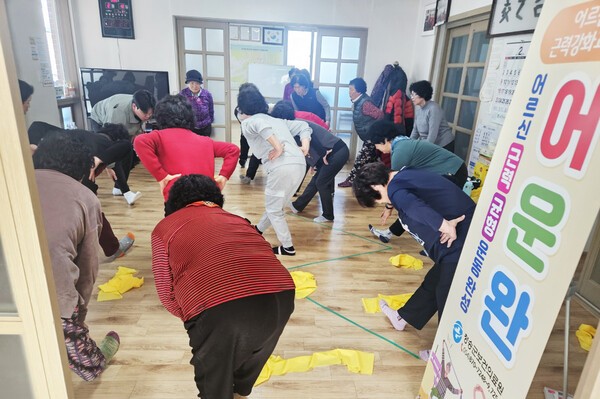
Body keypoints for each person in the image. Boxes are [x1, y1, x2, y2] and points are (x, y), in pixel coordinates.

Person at [152, 174, 295, 399]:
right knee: (251, 358)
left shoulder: (164, 228)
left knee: (214, 380)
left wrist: (193, 319)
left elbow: (165, 291)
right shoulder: (237, 219)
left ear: (172, 204)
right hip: (282, 294)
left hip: (219, 305)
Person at [33, 133, 120, 381]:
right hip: (53, 294)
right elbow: (88, 264)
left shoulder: (14, 181)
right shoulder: (85, 198)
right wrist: (78, 315)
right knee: (85, 359)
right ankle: (90, 358)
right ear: (83, 173)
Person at [352, 162, 475, 331]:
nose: (381, 202)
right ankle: (402, 317)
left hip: (461, 236)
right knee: (435, 281)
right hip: (462, 229)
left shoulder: (395, 189)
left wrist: (445, 226)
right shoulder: (403, 175)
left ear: (376, 185)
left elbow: (413, 206)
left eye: (377, 198)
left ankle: (446, 352)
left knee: (446, 294)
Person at [27, 121, 136, 262]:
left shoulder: (81, 135)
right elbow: (126, 146)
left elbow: (36, 125)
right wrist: (100, 159)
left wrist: (32, 146)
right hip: (78, 174)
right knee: (92, 210)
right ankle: (114, 248)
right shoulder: (104, 142)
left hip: (44, 173)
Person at [237, 83, 311, 256]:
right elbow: (303, 126)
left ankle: (287, 247)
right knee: (276, 205)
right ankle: (259, 229)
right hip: (299, 164)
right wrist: (305, 145)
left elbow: (261, 126)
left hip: (281, 166)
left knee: (274, 208)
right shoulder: (276, 120)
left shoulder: (248, 122)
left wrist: (277, 147)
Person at [365, 120, 468, 243]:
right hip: (453, 168)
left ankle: (440, 241)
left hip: (453, 171)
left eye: (377, 145)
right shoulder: (401, 142)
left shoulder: (400, 152)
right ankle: (390, 233)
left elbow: (393, 186)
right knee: (418, 203)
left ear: (385, 139)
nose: (377, 148)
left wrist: (388, 207)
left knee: (422, 204)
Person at [134, 94, 239, 202]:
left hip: (177, 198)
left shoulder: (159, 136)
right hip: (209, 197)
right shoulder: (205, 141)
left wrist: (161, 176)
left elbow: (139, 141)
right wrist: (224, 176)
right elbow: (233, 149)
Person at [271, 101, 349, 222]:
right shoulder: (294, 125)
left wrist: (324, 155)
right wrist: (316, 163)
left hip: (336, 151)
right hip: (332, 151)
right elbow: (309, 148)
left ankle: (328, 215)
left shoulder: (297, 126)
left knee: (321, 182)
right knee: (316, 181)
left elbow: (315, 142)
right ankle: (298, 206)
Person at [338, 77, 384, 187]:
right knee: (372, 161)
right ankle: (375, 181)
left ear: (358, 90)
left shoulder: (365, 103)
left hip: (372, 137)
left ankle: (352, 180)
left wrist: (373, 130)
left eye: (351, 89)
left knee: (361, 159)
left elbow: (380, 115)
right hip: (369, 136)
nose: (349, 92)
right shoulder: (359, 102)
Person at [409, 80, 455, 152]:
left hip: (444, 145)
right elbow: (415, 132)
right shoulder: (419, 111)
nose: (411, 97)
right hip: (430, 145)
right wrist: (408, 145)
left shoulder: (434, 109)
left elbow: (432, 136)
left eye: (414, 94)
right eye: (411, 95)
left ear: (422, 93)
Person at [89, 89, 156, 136]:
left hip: (124, 112)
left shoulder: (143, 104)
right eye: (145, 113)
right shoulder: (117, 115)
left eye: (150, 114)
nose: (148, 116)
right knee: (105, 144)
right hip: (99, 117)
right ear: (134, 106)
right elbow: (109, 136)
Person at [179, 69, 214, 137]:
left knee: (205, 146)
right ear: (188, 83)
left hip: (205, 127)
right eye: (192, 83)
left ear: (200, 83)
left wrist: (209, 121)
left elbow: (211, 110)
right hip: (190, 128)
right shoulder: (182, 94)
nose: (195, 86)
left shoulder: (207, 94)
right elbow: (179, 111)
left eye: (197, 83)